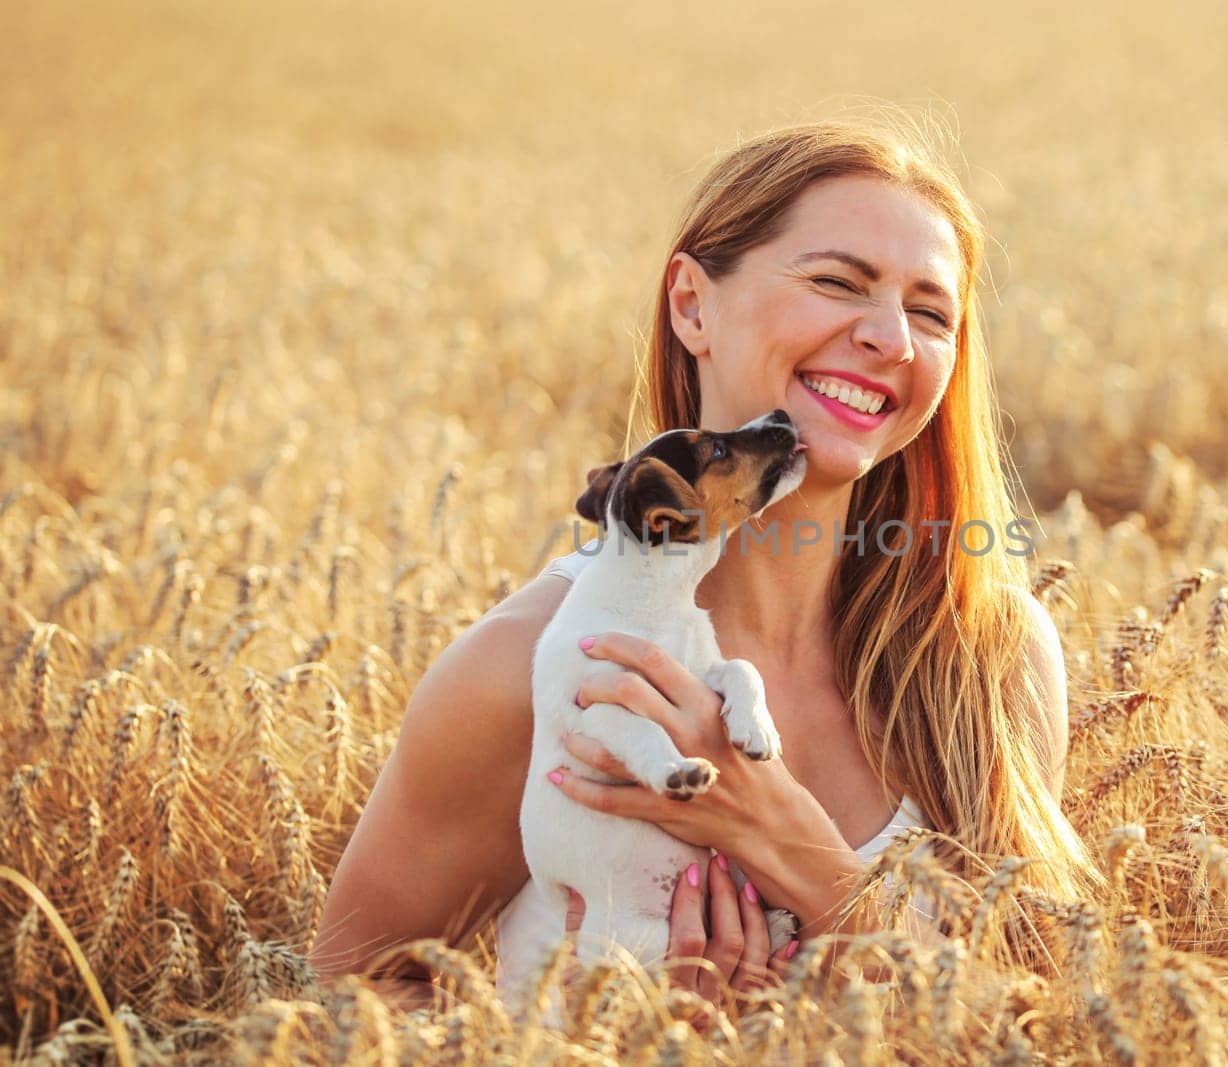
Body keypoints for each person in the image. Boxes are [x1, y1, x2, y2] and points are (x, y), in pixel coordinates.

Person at [310, 113, 1101, 1013]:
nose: (893, 339)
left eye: (930, 311)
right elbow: (348, 997)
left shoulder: (986, 657)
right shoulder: (534, 666)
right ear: (692, 304)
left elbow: (1042, 1018)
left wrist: (795, 847)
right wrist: (598, 1037)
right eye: (839, 282)